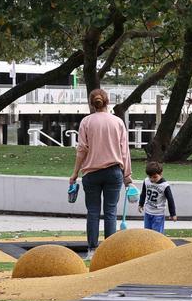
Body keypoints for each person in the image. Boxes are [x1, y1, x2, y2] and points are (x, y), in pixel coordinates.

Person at [69, 88, 132, 256]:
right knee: (111, 211)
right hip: (113, 172)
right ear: (107, 102)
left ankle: (92, 249)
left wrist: (75, 173)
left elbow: (82, 149)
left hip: (91, 172)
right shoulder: (117, 122)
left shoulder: (86, 122)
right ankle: (109, 251)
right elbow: (124, 151)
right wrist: (128, 177)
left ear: (92, 103)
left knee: (93, 212)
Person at [138, 161, 177, 234]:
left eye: (155, 177)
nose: (152, 179)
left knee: (156, 234)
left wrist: (173, 214)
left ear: (161, 174)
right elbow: (143, 193)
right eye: (150, 177)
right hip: (147, 212)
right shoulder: (146, 181)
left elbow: (170, 200)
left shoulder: (165, 186)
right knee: (147, 233)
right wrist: (141, 204)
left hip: (158, 214)